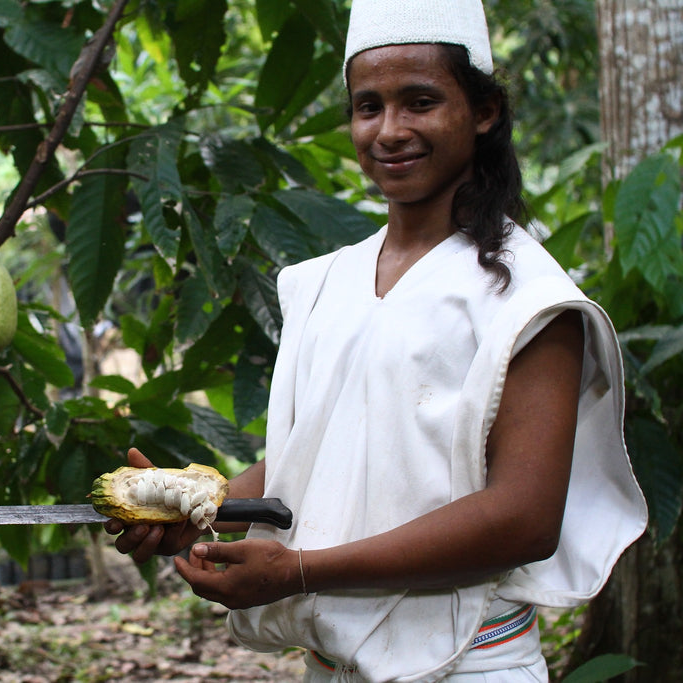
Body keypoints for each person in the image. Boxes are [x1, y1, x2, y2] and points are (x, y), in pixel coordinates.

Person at [104, 0, 648, 680]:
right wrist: (201, 507)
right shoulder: (329, 281)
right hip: (332, 666)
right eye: (369, 106)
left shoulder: (529, 296)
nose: (390, 130)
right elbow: (316, 462)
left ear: (483, 112)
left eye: (420, 101)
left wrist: (301, 570)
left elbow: (524, 518)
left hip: (469, 666)